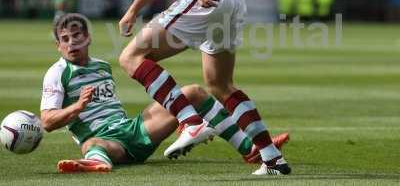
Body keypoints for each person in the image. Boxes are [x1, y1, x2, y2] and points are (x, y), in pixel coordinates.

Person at [117, 0, 291, 175]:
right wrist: (134, 10)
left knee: (131, 57)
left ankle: (192, 122)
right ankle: (271, 158)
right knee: (220, 85)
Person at [40, 13, 289, 173]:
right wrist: (78, 107)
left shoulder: (102, 66)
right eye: (65, 39)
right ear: (57, 45)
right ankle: (98, 161)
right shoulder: (57, 73)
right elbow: (48, 122)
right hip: (107, 141)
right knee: (92, 144)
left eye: (76, 36)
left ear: (87, 38)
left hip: (132, 129)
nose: (71, 43)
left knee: (193, 92)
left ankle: (250, 149)